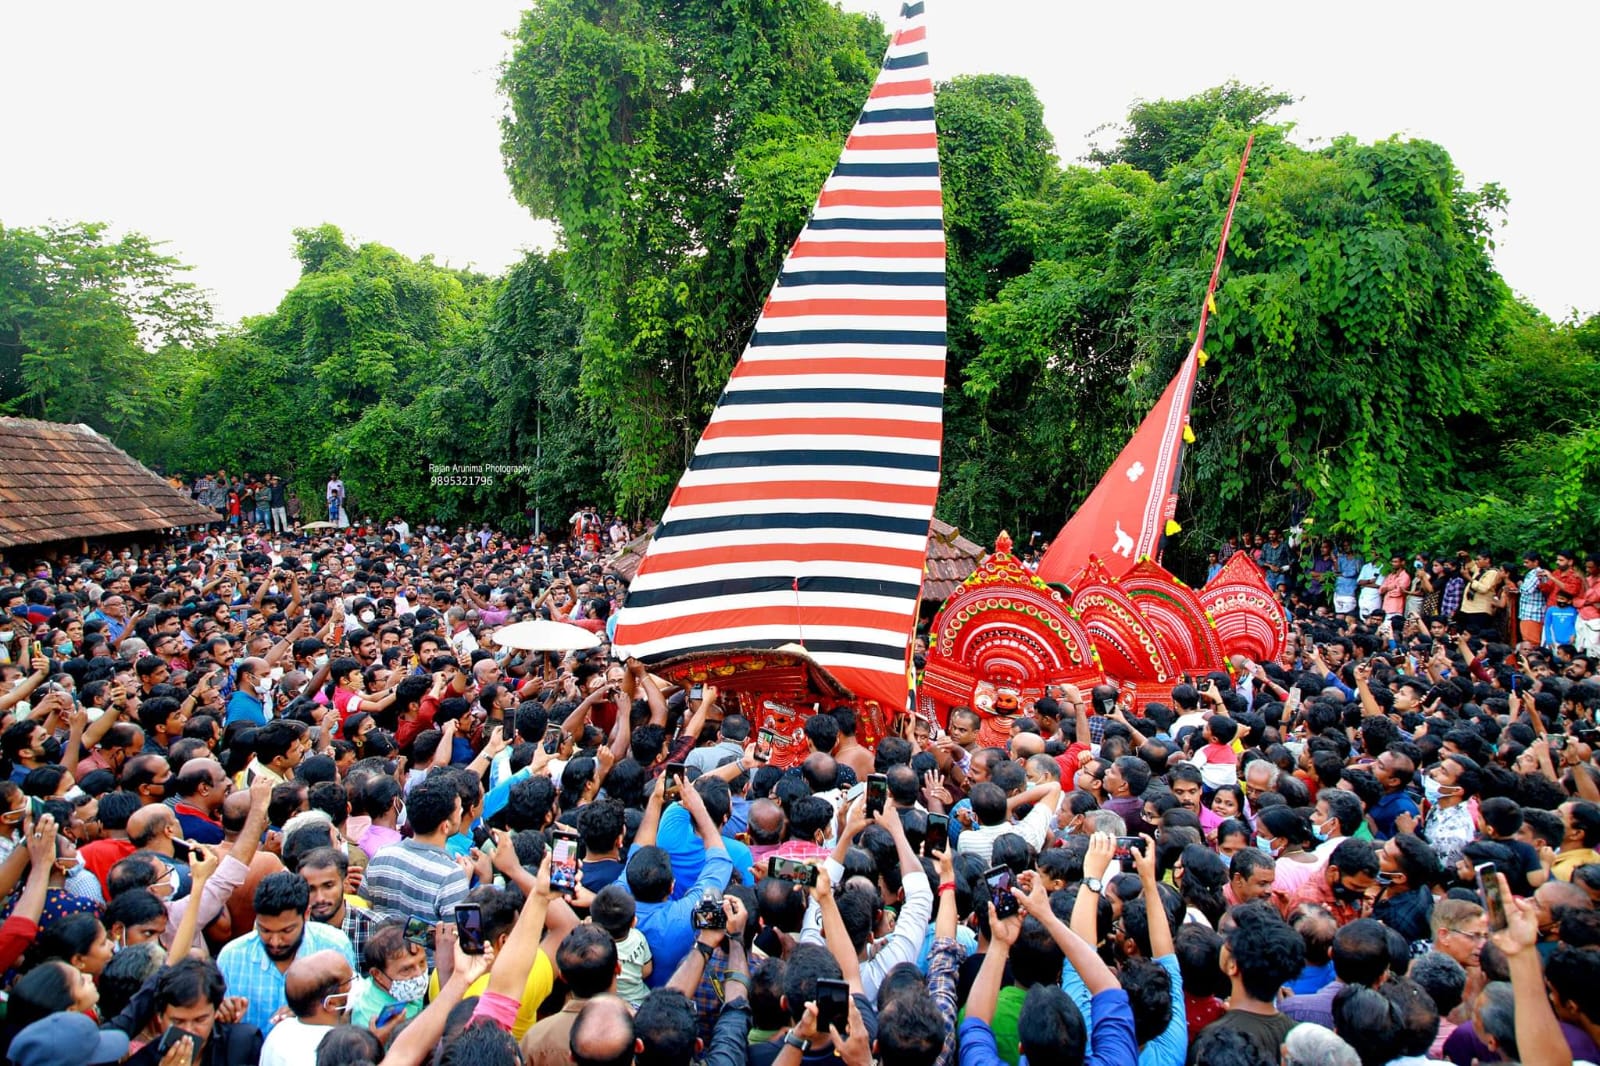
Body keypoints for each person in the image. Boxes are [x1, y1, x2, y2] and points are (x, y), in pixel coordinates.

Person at [215, 872, 357, 1034]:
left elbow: (350, 1013)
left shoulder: (334, 945)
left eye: (286, 930)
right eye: (265, 930)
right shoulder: (232, 957)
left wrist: (308, 1018)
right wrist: (222, 1014)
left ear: (306, 914)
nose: (275, 941)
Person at [258, 949, 356, 1066]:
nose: (356, 986)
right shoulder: (331, 1051)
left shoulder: (280, 1031)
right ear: (330, 1003)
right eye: (350, 981)